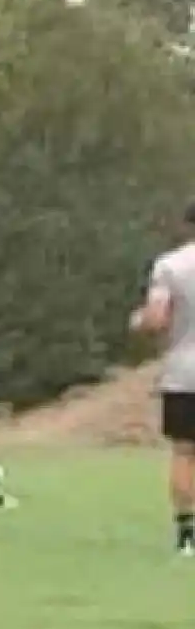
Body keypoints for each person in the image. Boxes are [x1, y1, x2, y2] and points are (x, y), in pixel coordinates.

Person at [130, 201, 195, 554]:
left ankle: (187, 536)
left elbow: (156, 319)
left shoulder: (170, 265)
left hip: (186, 372)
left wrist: (137, 321)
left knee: (185, 452)